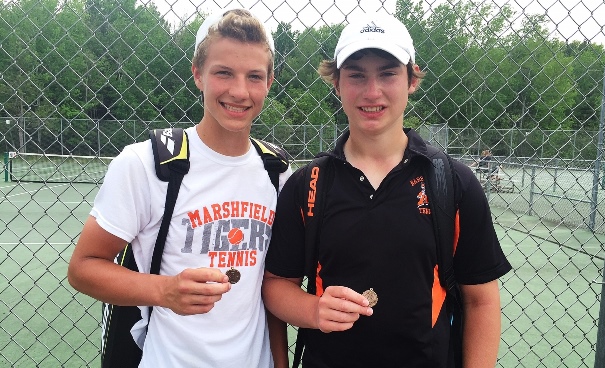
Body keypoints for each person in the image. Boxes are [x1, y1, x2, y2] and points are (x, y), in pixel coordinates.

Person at [262, 12, 511, 368]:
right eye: (356, 75)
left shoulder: (452, 183)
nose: (372, 91)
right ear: (337, 84)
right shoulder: (308, 184)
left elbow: (481, 301)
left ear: (412, 79)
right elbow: (276, 285)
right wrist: (313, 309)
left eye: (388, 73)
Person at [67, 8, 291, 368]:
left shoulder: (277, 172)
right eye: (223, 73)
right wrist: (164, 291)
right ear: (197, 74)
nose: (239, 91)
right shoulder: (145, 164)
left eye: (254, 76)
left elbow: (271, 285)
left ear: (269, 81)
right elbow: (83, 267)